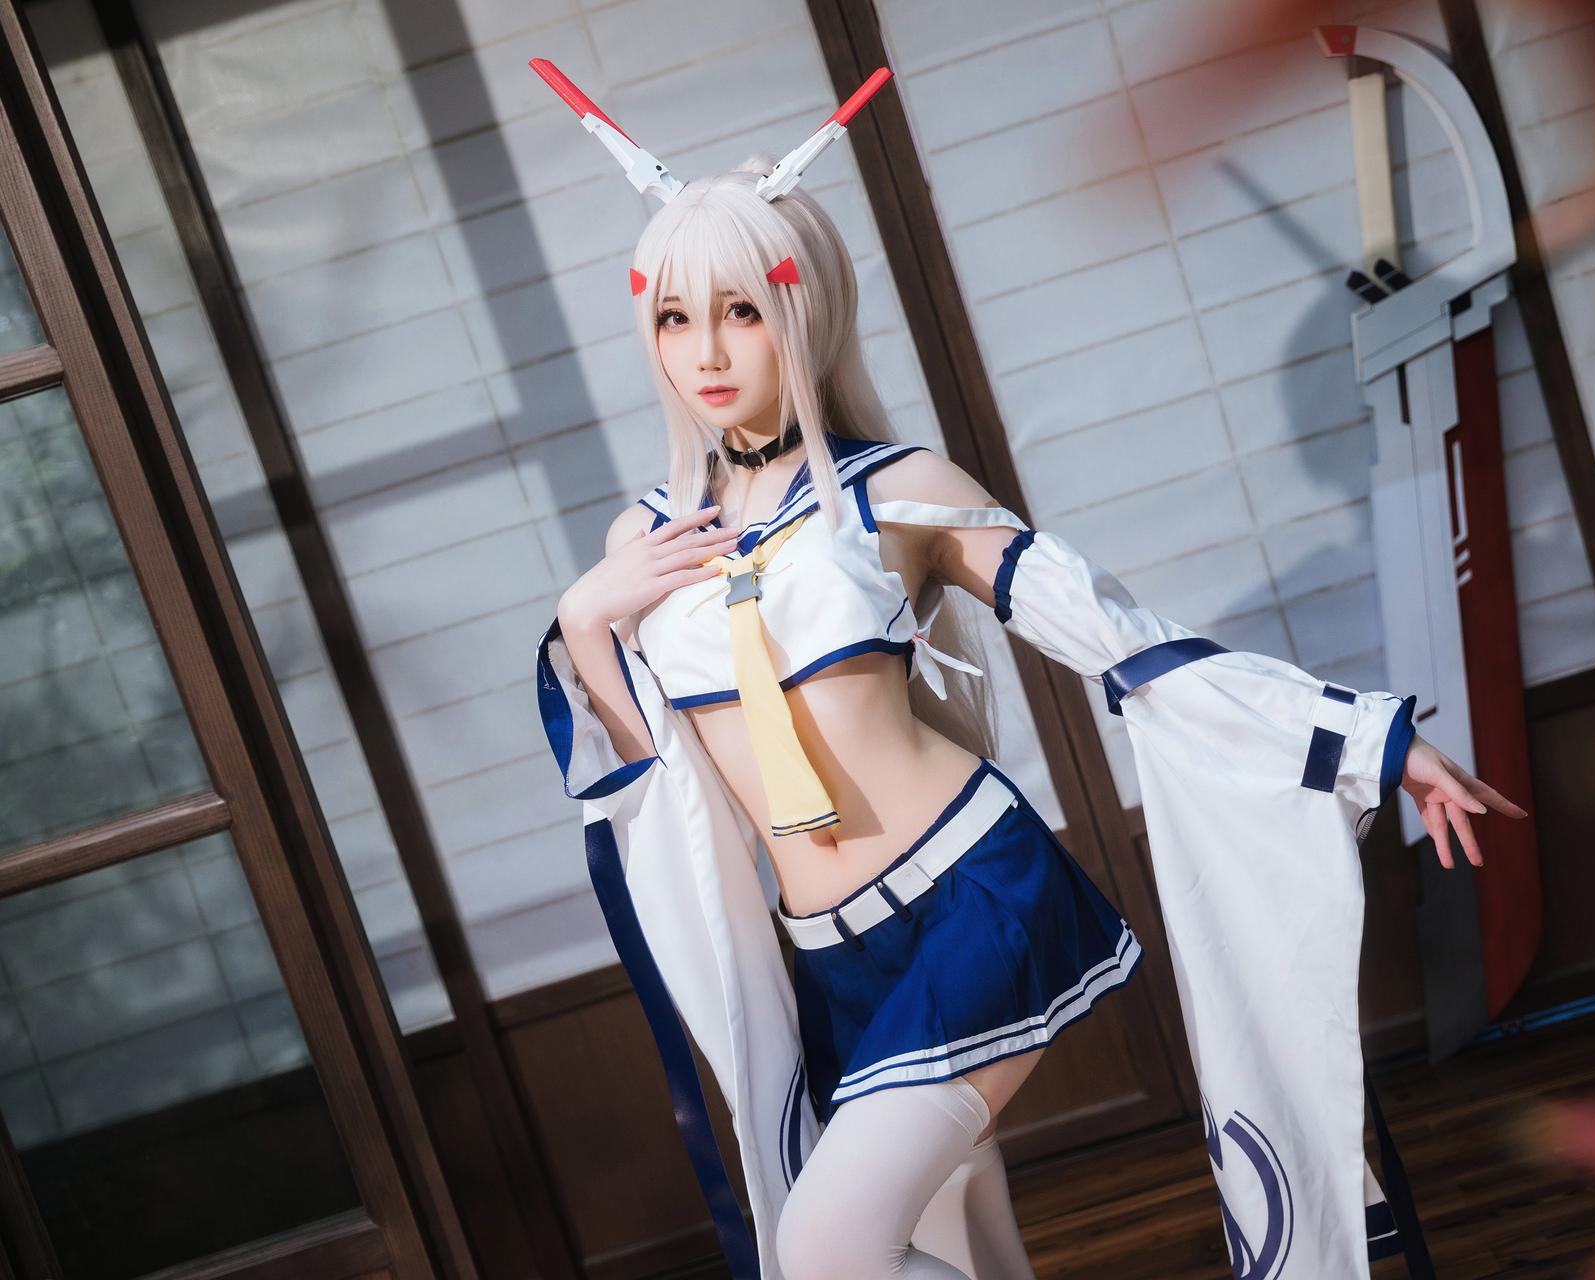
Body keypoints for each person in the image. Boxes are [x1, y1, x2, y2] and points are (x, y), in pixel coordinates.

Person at [532, 62, 1526, 1280]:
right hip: (824, 952)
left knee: (827, 1250)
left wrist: (1371, 739)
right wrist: (587, 621)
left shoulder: (903, 491)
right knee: (952, 1236)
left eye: (740, 309)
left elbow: (1118, 634)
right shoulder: (644, 542)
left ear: (802, 305)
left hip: (972, 898)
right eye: (676, 318)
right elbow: (669, 792)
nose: (707, 351)